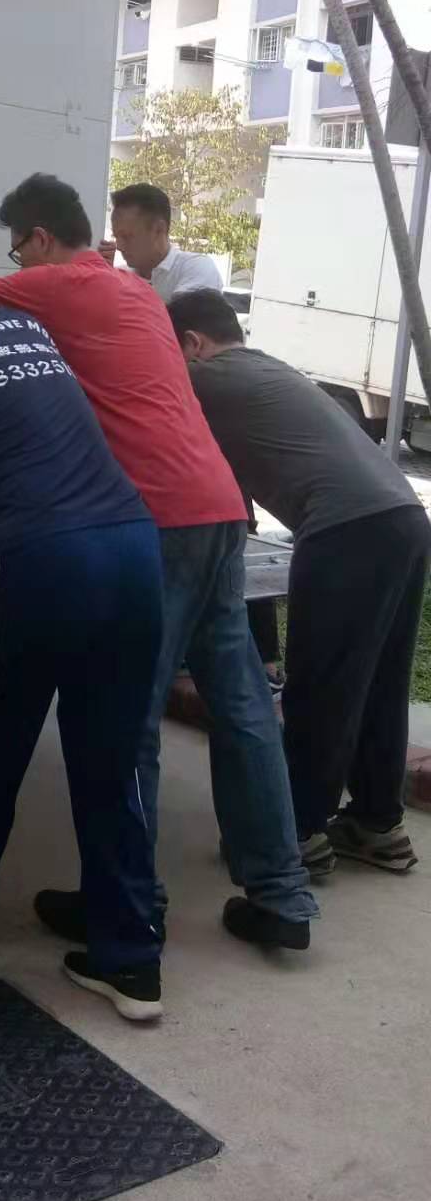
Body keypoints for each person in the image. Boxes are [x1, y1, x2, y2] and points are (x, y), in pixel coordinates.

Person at [0, 181, 317, 951]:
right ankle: (282, 893)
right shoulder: (135, 294)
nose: (14, 264)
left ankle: (127, 909)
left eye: (18, 248)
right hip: (219, 504)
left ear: (39, 240)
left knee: (126, 727)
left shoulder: (54, 285)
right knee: (243, 705)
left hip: (149, 514)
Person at [0, 232, 165, 1021]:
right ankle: (130, 960)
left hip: (40, 554)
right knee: (111, 758)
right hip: (133, 544)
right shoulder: (30, 329)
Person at [169, 288, 427, 878]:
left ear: (192, 343)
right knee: (379, 684)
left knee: (320, 689)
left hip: (346, 529)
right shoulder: (267, 369)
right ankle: (376, 824)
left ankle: (297, 834)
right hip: (404, 520)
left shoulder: (205, 378)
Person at [106, 183, 223, 301]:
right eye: (116, 237)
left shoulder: (195, 268)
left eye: (127, 236)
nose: (119, 246)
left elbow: (185, 312)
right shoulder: (119, 275)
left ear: (158, 229)